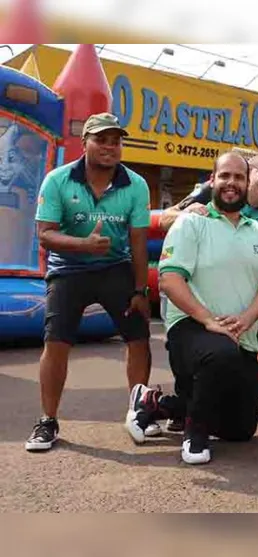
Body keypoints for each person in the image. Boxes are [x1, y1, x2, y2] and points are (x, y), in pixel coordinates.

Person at [125, 152, 258, 465]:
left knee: (240, 430)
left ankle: (156, 403)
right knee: (220, 352)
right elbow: (169, 280)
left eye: (238, 177)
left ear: (247, 182)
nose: (231, 183)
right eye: (225, 176)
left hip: (242, 337)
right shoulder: (191, 223)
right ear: (213, 180)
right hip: (192, 329)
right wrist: (209, 320)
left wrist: (247, 319)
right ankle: (194, 435)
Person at [25, 113, 154, 452]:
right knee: (56, 342)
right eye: (101, 140)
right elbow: (45, 235)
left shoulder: (136, 184)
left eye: (116, 141)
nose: (110, 147)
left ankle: (138, 411)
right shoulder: (58, 180)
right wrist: (83, 245)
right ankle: (47, 421)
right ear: (85, 144)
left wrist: (141, 290)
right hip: (68, 269)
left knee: (139, 336)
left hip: (115, 267)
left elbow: (139, 242)